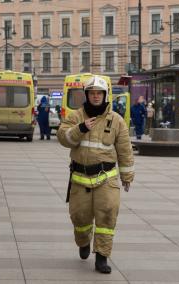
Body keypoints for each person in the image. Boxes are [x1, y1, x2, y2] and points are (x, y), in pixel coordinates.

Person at [57, 75, 134, 274]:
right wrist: (81, 128)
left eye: (99, 93)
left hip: (107, 179)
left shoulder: (116, 120)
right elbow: (63, 138)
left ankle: (102, 257)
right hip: (80, 178)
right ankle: (83, 242)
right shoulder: (76, 116)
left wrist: (127, 176)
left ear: (105, 95)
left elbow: (125, 150)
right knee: (79, 218)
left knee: (107, 216)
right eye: (92, 93)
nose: (96, 96)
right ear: (87, 95)